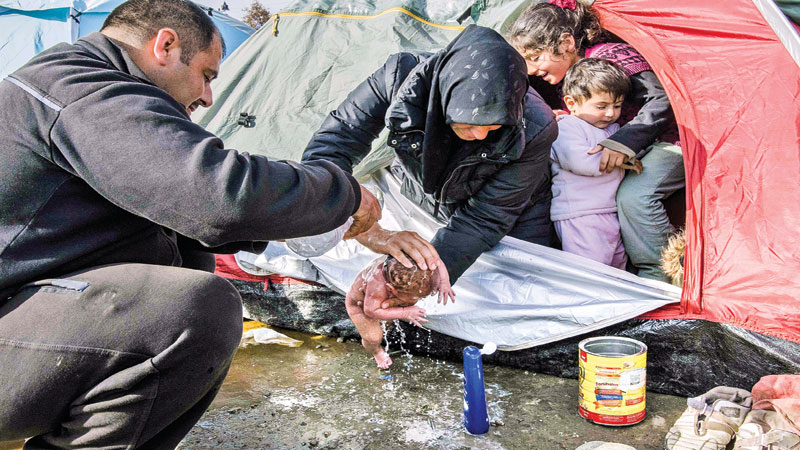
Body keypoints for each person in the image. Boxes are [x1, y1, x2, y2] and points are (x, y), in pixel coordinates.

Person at [0, 0, 382, 447]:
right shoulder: (81, 91)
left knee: (188, 257)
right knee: (194, 310)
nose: (208, 97)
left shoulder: (74, 85)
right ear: (165, 46)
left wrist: (316, 226)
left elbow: (189, 215)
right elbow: (217, 195)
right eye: (207, 75)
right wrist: (343, 193)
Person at [302, 24, 559, 289]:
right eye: (469, 123)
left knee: (522, 286)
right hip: (427, 196)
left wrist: (423, 279)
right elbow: (338, 138)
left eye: (494, 126)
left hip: (515, 213)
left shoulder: (536, 126)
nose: (480, 135)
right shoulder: (399, 77)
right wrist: (330, 205)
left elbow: (485, 218)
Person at [509, 0, 685, 282]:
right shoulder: (568, 79)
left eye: (536, 57)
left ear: (566, 43)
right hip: (634, 156)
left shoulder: (610, 57)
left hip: (670, 141)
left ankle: (662, 273)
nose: (531, 69)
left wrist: (623, 143)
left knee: (634, 196)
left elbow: (662, 99)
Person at [550, 58, 633, 269]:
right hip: (581, 214)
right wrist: (622, 159)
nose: (610, 113)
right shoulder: (567, 127)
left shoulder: (613, 130)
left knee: (618, 269)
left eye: (617, 106)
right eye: (601, 106)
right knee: (591, 272)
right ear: (571, 104)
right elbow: (580, 162)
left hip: (609, 211)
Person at [345, 255, 454, 369]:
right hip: (360, 307)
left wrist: (444, 281)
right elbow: (370, 310)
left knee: (384, 324)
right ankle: (376, 351)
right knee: (373, 337)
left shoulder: (418, 262)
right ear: (391, 290)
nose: (419, 300)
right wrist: (404, 312)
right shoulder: (377, 285)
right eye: (417, 297)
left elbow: (437, 260)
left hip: (378, 303)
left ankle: (387, 318)